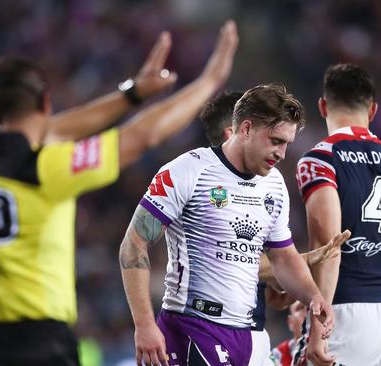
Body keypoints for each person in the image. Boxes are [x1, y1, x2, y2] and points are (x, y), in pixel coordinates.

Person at [0, 21, 239, 366]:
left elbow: (52, 130)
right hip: (34, 344)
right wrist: (208, 84)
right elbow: (141, 135)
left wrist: (132, 94)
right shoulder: (45, 169)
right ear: (45, 103)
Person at [119, 83, 336, 366]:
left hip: (243, 335)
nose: (282, 153)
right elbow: (133, 244)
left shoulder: (274, 184)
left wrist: (314, 297)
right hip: (191, 327)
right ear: (246, 129)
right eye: (275, 141)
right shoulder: (188, 170)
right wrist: (144, 324)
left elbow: (283, 257)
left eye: (286, 144)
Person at [199, 91, 350, 366]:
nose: (279, 152)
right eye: (273, 139)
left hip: (253, 333)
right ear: (236, 131)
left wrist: (294, 289)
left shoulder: (265, 188)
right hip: (207, 333)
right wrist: (306, 260)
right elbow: (227, 262)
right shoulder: (201, 186)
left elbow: (270, 290)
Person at [292, 63, 381, 365]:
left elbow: (329, 247)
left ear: (323, 106)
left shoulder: (321, 158)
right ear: (373, 110)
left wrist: (317, 329)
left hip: (347, 313)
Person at [269, 301, 307, 366]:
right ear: (290, 322)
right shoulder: (278, 355)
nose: (306, 314)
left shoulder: (329, 351)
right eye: (300, 308)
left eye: (310, 308)